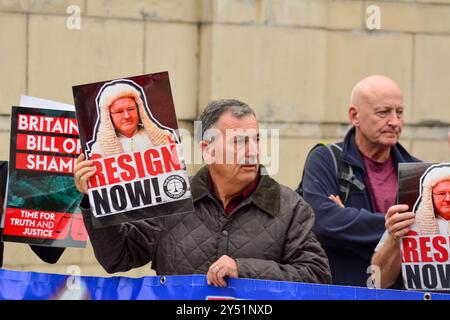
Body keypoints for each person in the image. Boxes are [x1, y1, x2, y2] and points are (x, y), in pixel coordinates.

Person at [74, 99, 331, 286]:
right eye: (239, 141)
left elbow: (317, 276)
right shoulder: (170, 196)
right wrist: (93, 198)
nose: (253, 150)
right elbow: (118, 258)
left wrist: (244, 269)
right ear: (208, 150)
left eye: (256, 139)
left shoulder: (289, 206)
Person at [299, 75, 419, 287]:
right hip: (342, 291)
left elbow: (427, 239)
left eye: (399, 112)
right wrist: (395, 229)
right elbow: (323, 222)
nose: (394, 122)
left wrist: (349, 224)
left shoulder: (417, 172)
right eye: (383, 112)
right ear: (354, 115)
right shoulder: (326, 159)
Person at [372, 164, 450, 289]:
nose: (448, 199)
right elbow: (377, 281)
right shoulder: (407, 221)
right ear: (429, 195)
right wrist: (393, 240)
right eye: (441, 194)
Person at [88, 81, 175, 157]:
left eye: (131, 109)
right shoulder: (99, 150)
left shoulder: (165, 137)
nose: (127, 116)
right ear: (108, 116)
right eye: (119, 112)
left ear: (139, 110)